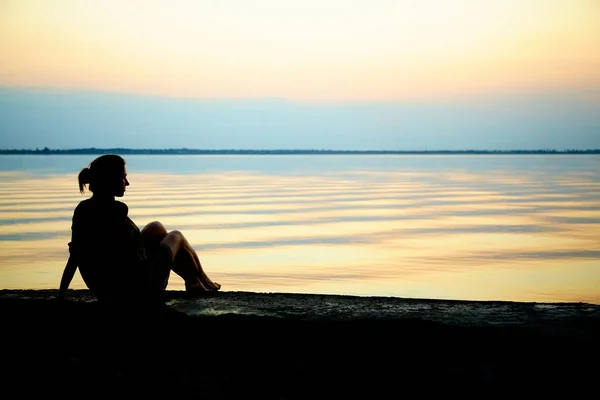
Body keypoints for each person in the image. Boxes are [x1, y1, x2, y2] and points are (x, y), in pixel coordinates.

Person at [57, 154, 220, 312]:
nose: (127, 183)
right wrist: (157, 258)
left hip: (106, 290)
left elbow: (75, 255)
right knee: (176, 236)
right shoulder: (117, 210)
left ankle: (196, 281)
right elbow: (127, 260)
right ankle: (197, 281)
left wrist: (61, 295)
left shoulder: (82, 210)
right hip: (139, 291)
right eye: (123, 177)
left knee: (156, 227)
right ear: (110, 180)